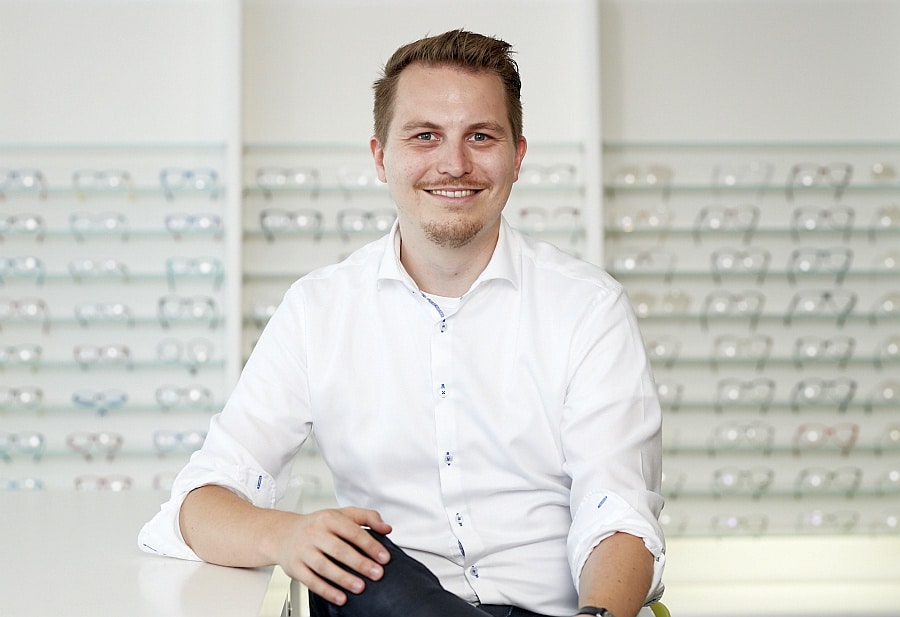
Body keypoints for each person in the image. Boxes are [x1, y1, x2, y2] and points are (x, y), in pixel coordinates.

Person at [139, 29, 666, 617]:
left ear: (517, 156)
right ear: (380, 157)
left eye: (481, 136)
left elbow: (617, 512)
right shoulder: (318, 309)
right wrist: (287, 536)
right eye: (425, 136)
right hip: (393, 603)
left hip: (562, 613)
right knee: (362, 563)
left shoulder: (588, 307)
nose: (454, 164)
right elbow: (199, 504)